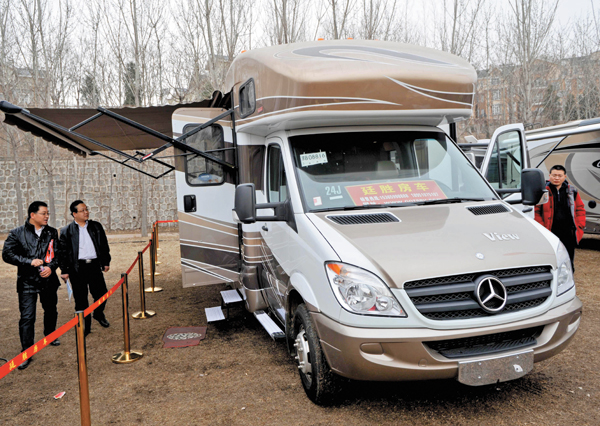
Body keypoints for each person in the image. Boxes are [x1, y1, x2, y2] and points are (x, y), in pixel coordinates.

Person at [2, 201, 61, 370]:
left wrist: (50, 268)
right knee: (27, 317)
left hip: (48, 281)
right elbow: (7, 254)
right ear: (32, 215)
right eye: (43, 213)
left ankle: (50, 335)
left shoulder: (51, 232)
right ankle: (26, 352)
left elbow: (57, 255)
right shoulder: (17, 233)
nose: (47, 216)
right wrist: (29, 262)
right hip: (27, 282)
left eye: (48, 213)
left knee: (51, 309)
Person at [59, 200, 111, 336]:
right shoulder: (66, 231)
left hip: (94, 265)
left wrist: (106, 261)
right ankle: (85, 327)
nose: (86, 212)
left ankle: (98, 314)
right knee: (81, 300)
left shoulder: (96, 227)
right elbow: (62, 253)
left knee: (102, 293)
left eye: (86, 209)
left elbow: (103, 245)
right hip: (77, 268)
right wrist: (64, 270)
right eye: (82, 210)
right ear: (74, 214)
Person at [534, 165, 586, 269]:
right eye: (554, 175)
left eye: (559, 175)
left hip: (568, 232)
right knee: (552, 257)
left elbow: (580, 209)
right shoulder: (543, 191)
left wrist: (580, 225)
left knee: (569, 259)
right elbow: (536, 211)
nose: (556, 178)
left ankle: (569, 278)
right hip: (550, 231)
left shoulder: (572, 191)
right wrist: (542, 228)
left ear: (564, 176)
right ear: (549, 175)